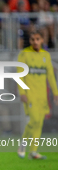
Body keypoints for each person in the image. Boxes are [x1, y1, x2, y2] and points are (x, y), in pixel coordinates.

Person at [17, 31, 58, 160]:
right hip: (30, 94)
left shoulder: (45, 55)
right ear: (30, 41)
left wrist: (56, 93)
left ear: (42, 40)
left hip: (42, 95)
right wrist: (22, 92)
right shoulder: (24, 54)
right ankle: (22, 145)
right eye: (33, 39)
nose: (35, 41)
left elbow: (51, 76)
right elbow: (19, 75)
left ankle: (33, 152)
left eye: (38, 39)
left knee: (39, 123)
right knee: (34, 120)